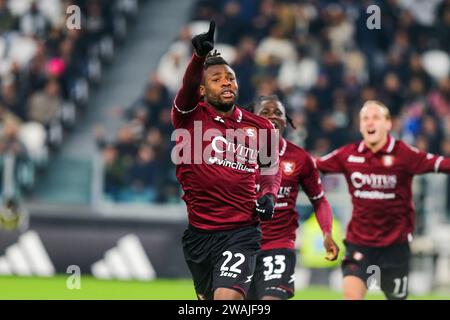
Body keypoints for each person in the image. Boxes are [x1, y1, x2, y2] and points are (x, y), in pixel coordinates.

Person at [171, 21, 282, 300]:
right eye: (216, 78)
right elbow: (186, 86)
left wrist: (269, 194)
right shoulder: (189, 116)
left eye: (230, 78)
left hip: (241, 230)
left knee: (226, 299)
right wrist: (198, 58)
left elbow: (270, 168)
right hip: (199, 235)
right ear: (202, 89)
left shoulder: (262, 128)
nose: (226, 82)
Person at [316, 100, 450, 300]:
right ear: (360, 126)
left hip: (395, 246)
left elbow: (441, 164)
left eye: (376, 117)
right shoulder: (348, 154)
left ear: (388, 124)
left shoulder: (404, 154)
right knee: (352, 296)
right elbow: (311, 166)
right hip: (359, 243)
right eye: (365, 119)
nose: (370, 123)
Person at [247, 95, 339, 300]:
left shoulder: (299, 158)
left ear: (286, 120)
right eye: (265, 112)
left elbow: (319, 199)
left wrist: (326, 232)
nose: (273, 116)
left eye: (278, 113)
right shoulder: (236, 154)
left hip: (278, 245)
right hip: (240, 245)